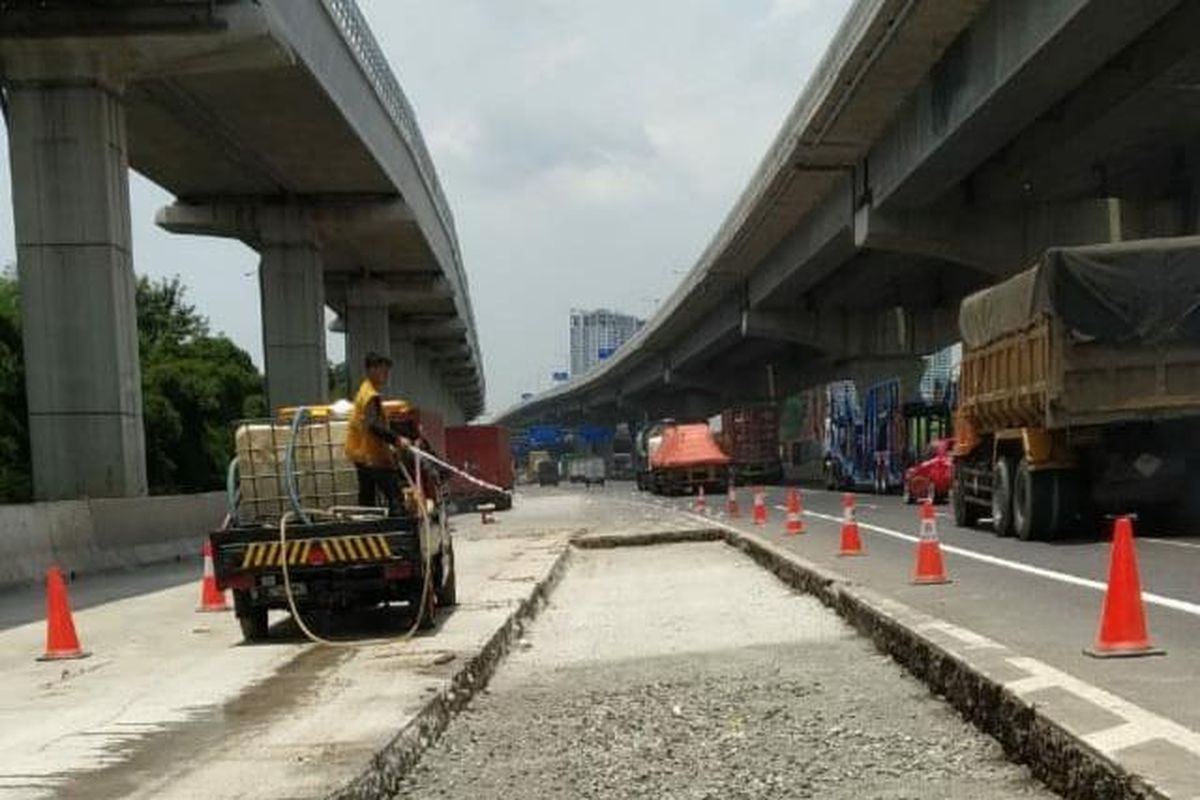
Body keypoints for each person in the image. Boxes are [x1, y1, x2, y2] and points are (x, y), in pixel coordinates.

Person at [345, 352, 410, 515]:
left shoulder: (364, 391)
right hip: (372, 456)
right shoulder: (370, 396)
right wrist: (396, 439)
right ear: (371, 370)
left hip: (361, 454)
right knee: (395, 496)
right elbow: (373, 425)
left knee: (367, 500)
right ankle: (398, 534)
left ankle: (368, 531)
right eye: (383, 371)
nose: (387, 375)